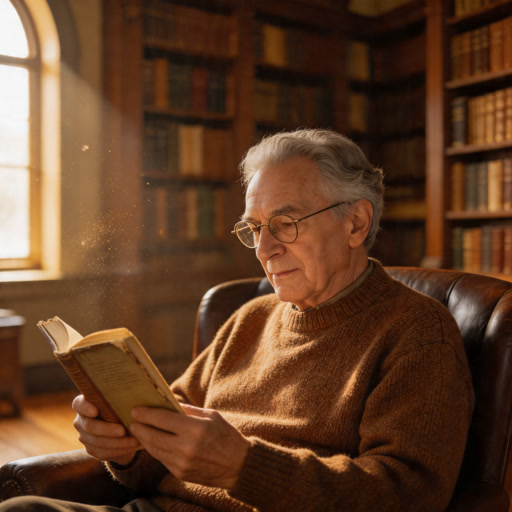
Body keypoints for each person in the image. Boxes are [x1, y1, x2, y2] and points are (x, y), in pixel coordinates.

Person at [1, 129, 474, 512]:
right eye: (254, 228)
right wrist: (123, 447)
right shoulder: (250, 317)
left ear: (355, 224)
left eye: (286, 223)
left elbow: (407, 496)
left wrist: (241, 467)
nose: (265, 250)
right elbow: (160, 448)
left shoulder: (417, 334)